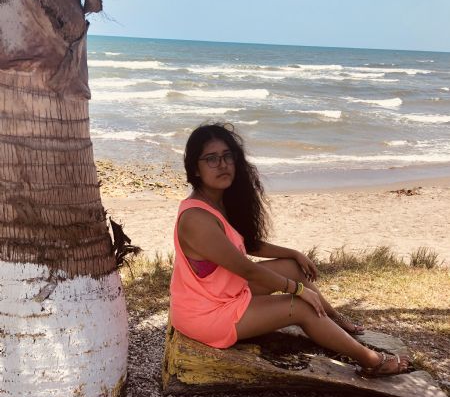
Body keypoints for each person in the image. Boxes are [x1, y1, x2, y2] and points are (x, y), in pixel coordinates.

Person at [170, 123, 409, 377]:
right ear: (195, 168)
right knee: (301, 307)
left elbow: (246, 244)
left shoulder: (217, 202)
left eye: (227, 156)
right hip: (205, 315)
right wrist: (298, 290)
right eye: (211, 158)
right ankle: (372, 361)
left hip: (221, 293)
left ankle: (335, 319)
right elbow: (247, 269)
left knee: (292, 267)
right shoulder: (197, 218)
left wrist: (293, 253)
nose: (222, 164)